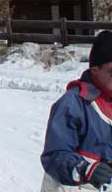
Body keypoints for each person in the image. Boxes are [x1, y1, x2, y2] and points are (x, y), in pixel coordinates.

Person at [41, 30, 112, 191]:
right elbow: (54, 155)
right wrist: (84, 169)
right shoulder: (73, 104)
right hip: (74, 186)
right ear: (95, 70)